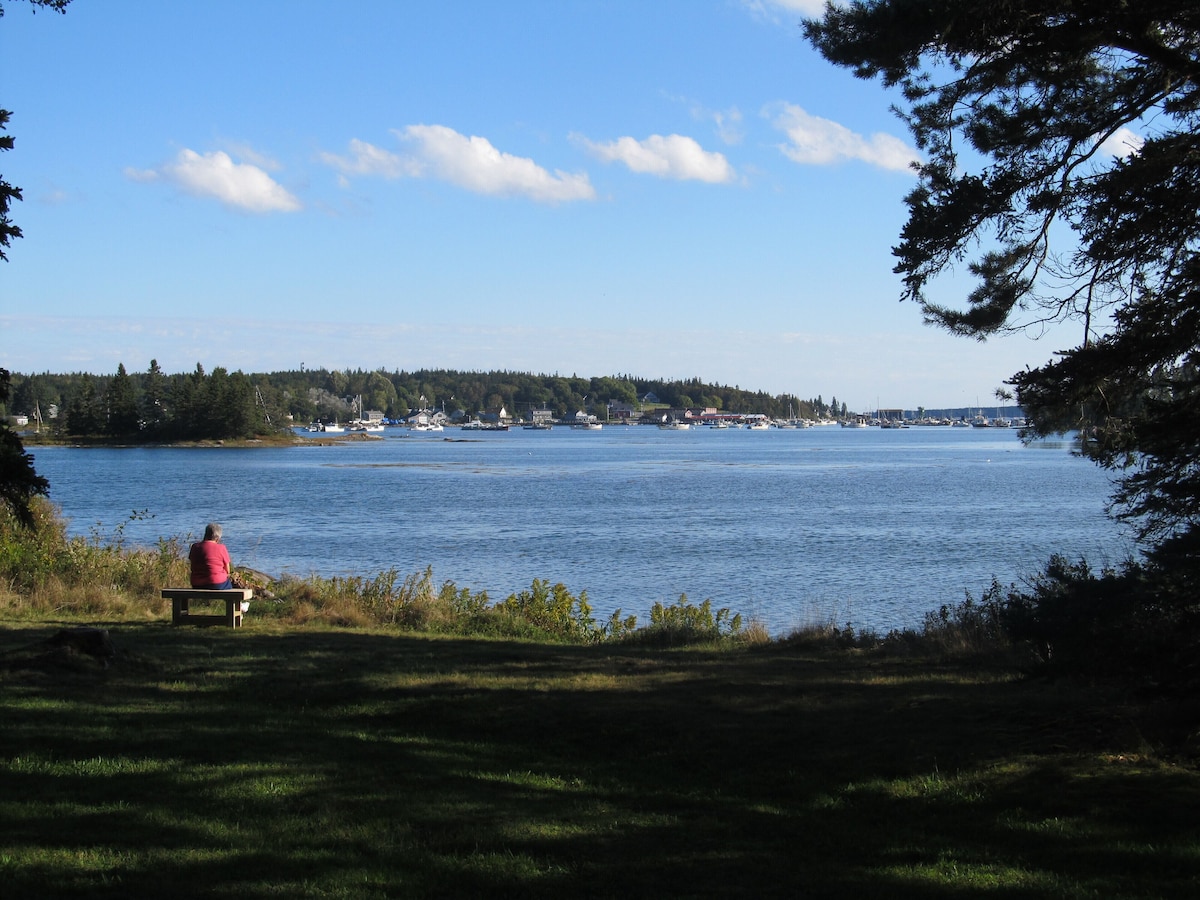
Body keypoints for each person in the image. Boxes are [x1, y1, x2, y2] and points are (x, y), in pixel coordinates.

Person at [189, 522, 234, 589]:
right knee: (229, 585)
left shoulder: (195, 547)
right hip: (216, 583)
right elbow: (227, 570)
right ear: (217, 538)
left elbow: (192, 565)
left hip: (197, 583)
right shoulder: (221, 548)